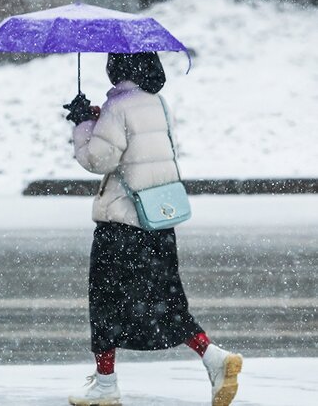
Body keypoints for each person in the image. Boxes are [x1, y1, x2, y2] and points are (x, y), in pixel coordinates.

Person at [65, 52, 243, 406]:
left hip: (122, 226)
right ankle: (214, 357)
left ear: (117, 69)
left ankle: (105, 385)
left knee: (106, 306)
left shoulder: (118, 108)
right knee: (166, 303)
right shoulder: (158, 104)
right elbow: (142, 149)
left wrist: (84, 123)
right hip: (158, 223)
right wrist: (101, 121)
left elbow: (98, 160)